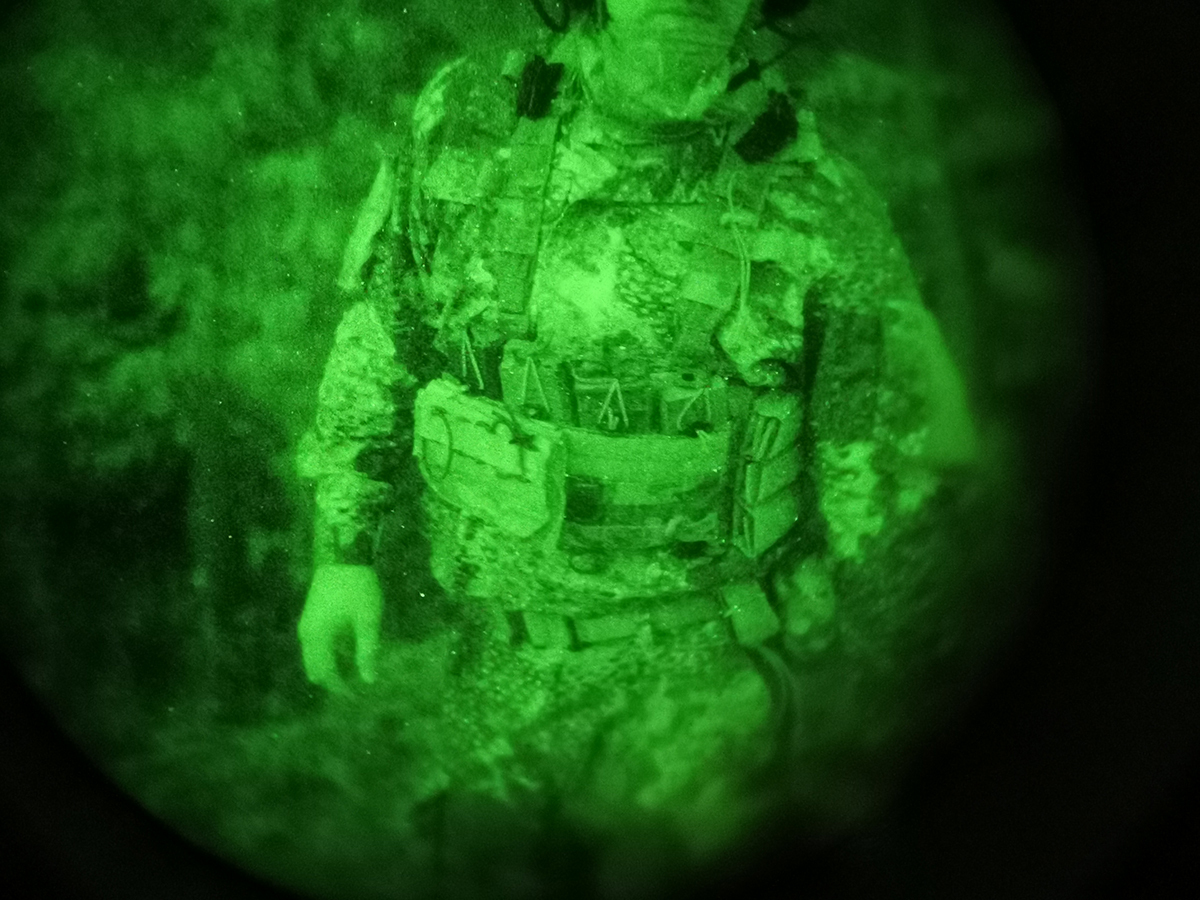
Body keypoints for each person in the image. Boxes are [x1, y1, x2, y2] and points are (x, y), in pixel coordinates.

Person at [296, 0, 979, 889]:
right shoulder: (467, 117)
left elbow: (892, 512)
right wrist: (342, 554)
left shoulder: (822, 207)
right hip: (495, 685)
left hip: (703, 701)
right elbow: (384, 335)